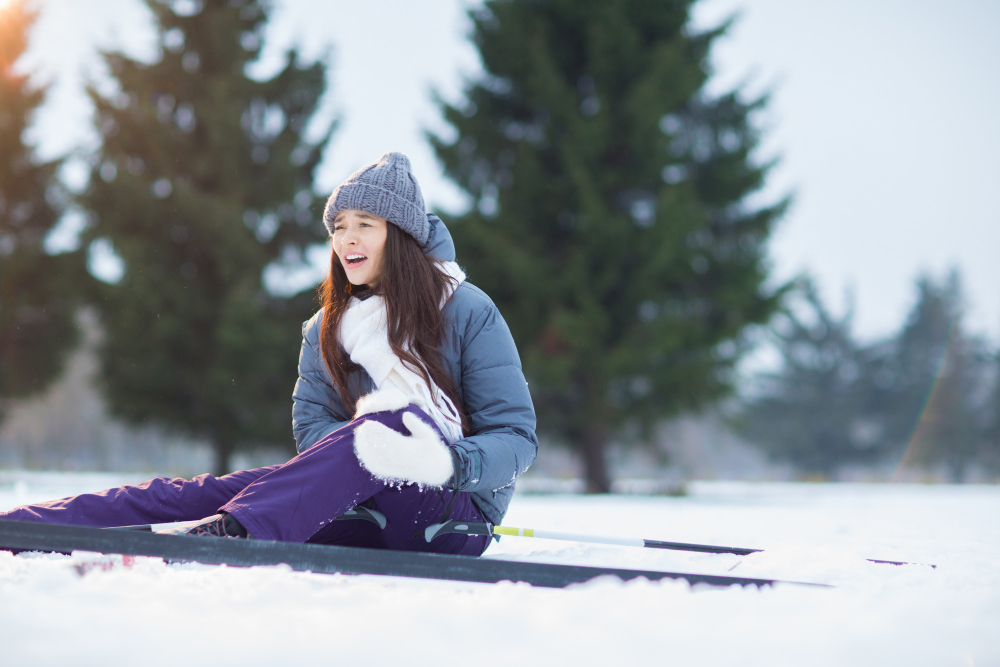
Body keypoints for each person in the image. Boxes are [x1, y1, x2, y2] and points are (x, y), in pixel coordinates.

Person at [1, 152, 538, 557]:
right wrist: (366, 459)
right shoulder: (326, 328)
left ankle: (236, 536)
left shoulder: (467, 310)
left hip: (452, 517)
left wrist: (435, 459)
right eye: (339, 227)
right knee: (195, 492)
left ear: (398, 236)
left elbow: (516, 437)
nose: (346, 239)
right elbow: (311, 429)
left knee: (390, 424)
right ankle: (20, 526)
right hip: (358, 501)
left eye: (364, 225)